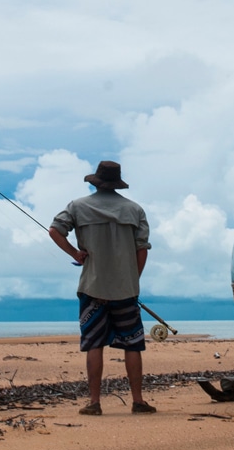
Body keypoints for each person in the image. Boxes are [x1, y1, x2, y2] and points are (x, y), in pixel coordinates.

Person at [49, 160, 156, 415]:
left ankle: (94, 403)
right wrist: (133, 279)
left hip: (92, 288)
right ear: (117, 182)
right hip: (126, 290)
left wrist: (76, 253)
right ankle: (138, 401)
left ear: (96, 181)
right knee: (133, 345)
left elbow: (55, 230)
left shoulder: (78, 206)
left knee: (94, 344)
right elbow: (142, 249)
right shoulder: (135, 210)